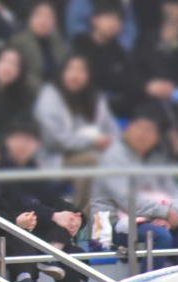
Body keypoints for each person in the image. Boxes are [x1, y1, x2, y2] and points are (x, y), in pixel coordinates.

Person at [92, 108, 178, 271]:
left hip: (158, 218)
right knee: (159, 236)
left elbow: (177, 191)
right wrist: (165, 213)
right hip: (118, 223)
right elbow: (127, 200)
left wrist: (174, 215)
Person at [0, 119, 85, 282]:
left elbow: (53, 198)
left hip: (40, 233)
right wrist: (54, 215)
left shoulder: (33, 168)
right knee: (25, 229)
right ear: (7, 141)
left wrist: (75, 217)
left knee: (66, 253)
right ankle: (34, 272)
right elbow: (18, 202)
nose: (23, 145)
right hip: (8, 229)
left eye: (29, 140)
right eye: (18, 139)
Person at [34, 55, 120, 207]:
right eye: (71, 69)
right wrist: (93, 142)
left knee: (112, 160)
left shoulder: (95, 98)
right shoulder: (50, 96)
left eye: (81, 71)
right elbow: (55, 140)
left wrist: (109, 142)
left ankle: (112, 216)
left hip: (97, 154)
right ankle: (80, 215)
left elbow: (113, 130)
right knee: (92, 160)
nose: (76, 75)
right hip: (55, 157)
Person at [9, 0, 69, 96]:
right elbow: (25, 74)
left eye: (49, 17)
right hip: (31, 94)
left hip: (60, 94)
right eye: (39, 16)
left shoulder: (60, 43)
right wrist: (46, 93)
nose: (44, 21)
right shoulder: (19, 42)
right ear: (30, 19)